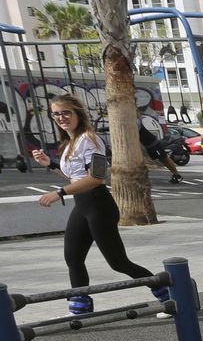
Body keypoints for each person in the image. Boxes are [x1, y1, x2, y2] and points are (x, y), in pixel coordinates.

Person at [31, 94, 168, 318]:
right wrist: (51, 164)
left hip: (98, 205)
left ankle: (168, 293)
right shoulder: (70, 142)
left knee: (118, 263)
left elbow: (96, 178)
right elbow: (75, 177)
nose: (61, 118)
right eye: (56, 114)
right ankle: (80, 308)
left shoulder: (90, 139)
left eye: (66, 113)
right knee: (73, 258)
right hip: (82, 205)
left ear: (78, 114)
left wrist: (59, 193)